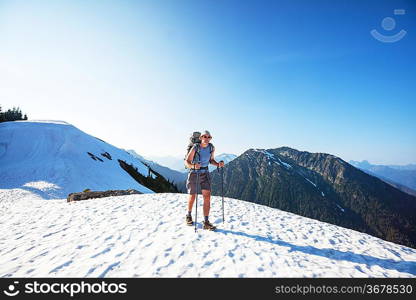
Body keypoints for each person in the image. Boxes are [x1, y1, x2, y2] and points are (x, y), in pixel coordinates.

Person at [184, 130, 224, 230]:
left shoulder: (211, 148)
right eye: (204, 136)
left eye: (208, 137)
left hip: (205, 173)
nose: (206, 138)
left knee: (207, 197)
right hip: (194, 173)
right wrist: (193, 165)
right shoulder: (195, 147)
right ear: (201, 137)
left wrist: (218, 164)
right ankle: (188, 215)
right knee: (192, 196)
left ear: (210, 138)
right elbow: (187, 162)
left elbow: (211, 160)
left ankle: (206, 222)